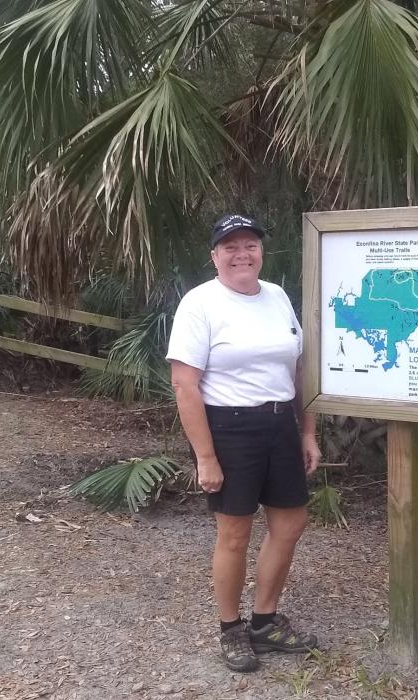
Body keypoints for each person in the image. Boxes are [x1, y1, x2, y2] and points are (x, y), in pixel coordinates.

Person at [166, 214, 322, 672]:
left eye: (250, 245)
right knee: (234, 534)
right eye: (230, 247)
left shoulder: (275, 296)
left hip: (279, 424)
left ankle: (265, 622)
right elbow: (184, 385)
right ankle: (230, 629)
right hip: (230, 428)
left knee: (290, 524)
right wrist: (206, 457)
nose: (242, 254)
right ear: (214, 256)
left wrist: (308, 431)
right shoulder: (201, 304)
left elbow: (299, 367)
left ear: (261, 252)